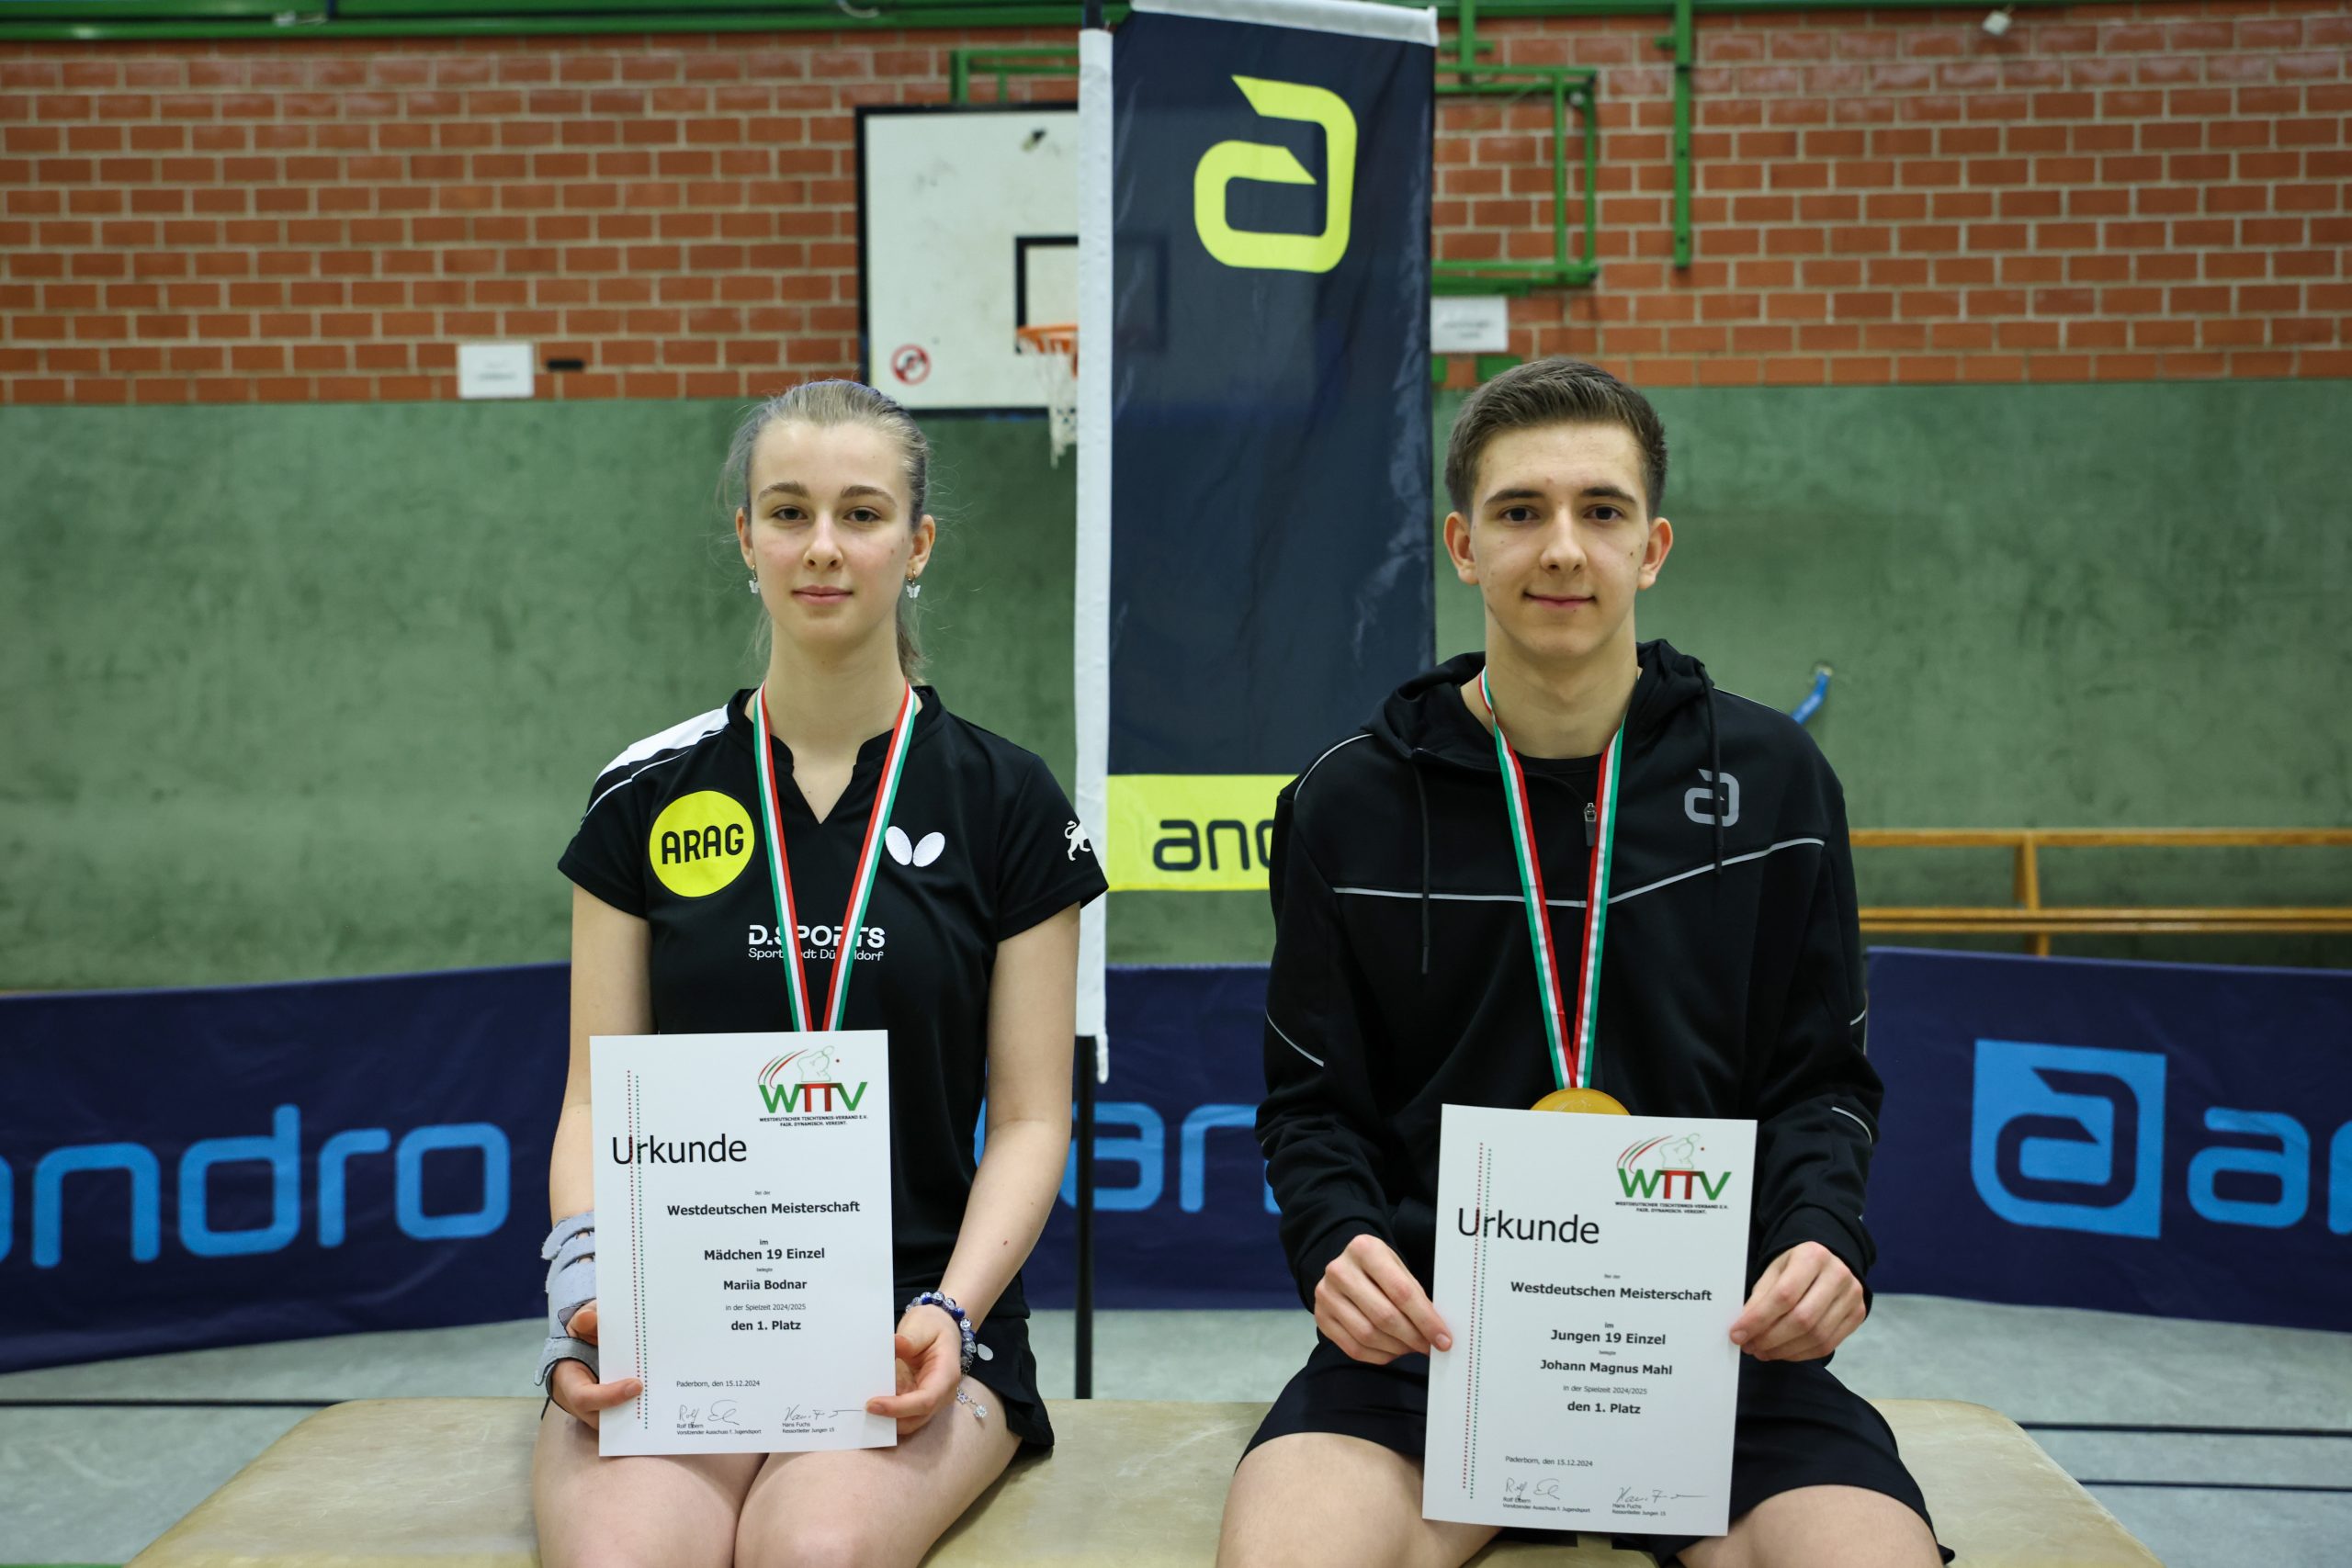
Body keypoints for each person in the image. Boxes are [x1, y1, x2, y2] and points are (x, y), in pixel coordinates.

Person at [1219, 359, 1949, 1568]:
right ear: (1463, 545)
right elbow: (1313, 1105)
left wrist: (1823, 1238)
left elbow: (1821, 1081)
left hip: (1713, 1347)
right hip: (1434, 1347)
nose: (1563, 548)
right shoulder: (1349, 803)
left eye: (1601, 511)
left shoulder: (1773, 783)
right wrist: (1337, 1243)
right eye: (1521, 511)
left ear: (1651, 547)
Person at [531, 379, 1106, 1568]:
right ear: (746, 537)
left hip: (916, 1309)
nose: (824, 547)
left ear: (918, 542)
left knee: (812, 1551)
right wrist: (584, 1293)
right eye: (789, 512)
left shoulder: (1007, 801)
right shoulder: (643, 795)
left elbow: (1032, 1119)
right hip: (683, 1305)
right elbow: (593, 1098)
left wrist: (951, 1309)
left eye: (862, 513)